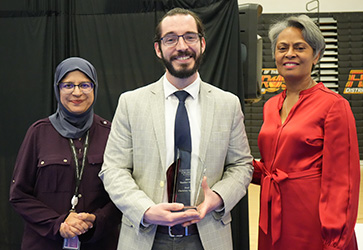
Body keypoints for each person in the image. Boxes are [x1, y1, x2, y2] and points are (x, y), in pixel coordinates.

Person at [98, 7, 254, 250]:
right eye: (171, 38)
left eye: (190, 37)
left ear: (202, 44)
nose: (182, 46)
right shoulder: (131, 103)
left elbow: (242, 165)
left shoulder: (227, 104)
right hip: (145, 235)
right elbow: (113, 169)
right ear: (158, 49)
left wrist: (218, 198)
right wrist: (146, 210)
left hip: (207, 236)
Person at [252, 15, 360, 250]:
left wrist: (334, 239)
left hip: (313, 221)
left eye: (299, 47)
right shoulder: (270, 105)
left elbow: (342, 181)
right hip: (272, 217)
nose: (289, 53)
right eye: (282, 48)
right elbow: (271, 167)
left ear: (316, 56)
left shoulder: (334, 105)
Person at [9, 57, 122, 250]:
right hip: (45, 243)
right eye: (68, 85)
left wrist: (97, 220)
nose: (77, 92)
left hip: (99, 243)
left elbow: (123, 194)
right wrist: (58, 223)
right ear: (57, 88)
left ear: (94, 88)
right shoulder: (38, 132)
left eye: (85, 85)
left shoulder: (111, 134)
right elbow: (19, 195)